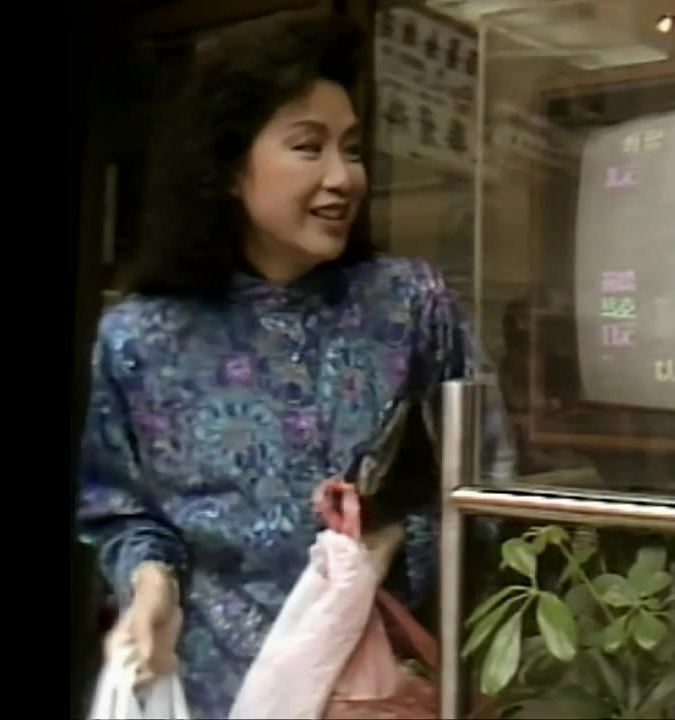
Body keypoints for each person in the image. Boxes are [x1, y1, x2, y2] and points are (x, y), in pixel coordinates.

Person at [76, 13, 514, 718]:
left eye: (353, 150)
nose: (343, 178)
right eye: (308, 147)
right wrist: (150, 587)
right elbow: (121, 512)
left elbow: (491, 482)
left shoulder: (408, 304)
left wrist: (390, 548)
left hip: (377, 689)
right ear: (228, 168)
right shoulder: (139, 338)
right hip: (218, 687)